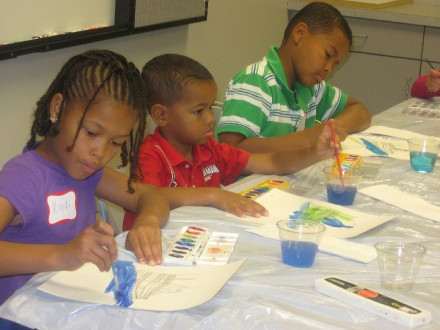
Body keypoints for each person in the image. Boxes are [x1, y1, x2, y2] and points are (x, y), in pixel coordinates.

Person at [0, 50, 171, 304]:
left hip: (67, 309)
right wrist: (61, 255)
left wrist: (147, 221)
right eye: (91, 132)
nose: (100, 153)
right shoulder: (23, 177)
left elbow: (151, 197)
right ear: (58, 108)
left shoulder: (89, 172)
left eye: (116, 142)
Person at [123, 53, 340, 230]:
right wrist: (213, 195)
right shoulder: (149, 155)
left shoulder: (208, 149)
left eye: (210, 108)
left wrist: (314, 152)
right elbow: (148, 196)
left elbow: (272, 162)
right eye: (198, 111)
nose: (210, 118)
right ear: (161, 115)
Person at [216, 1, 371, 153]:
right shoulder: (255, 81)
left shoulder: (312, 89)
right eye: (328, 55)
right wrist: (307, 139)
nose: (328, 68)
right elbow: (229, 151)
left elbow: (360, 112)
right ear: (299, 34)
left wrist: (332, 129)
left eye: (335, 64)